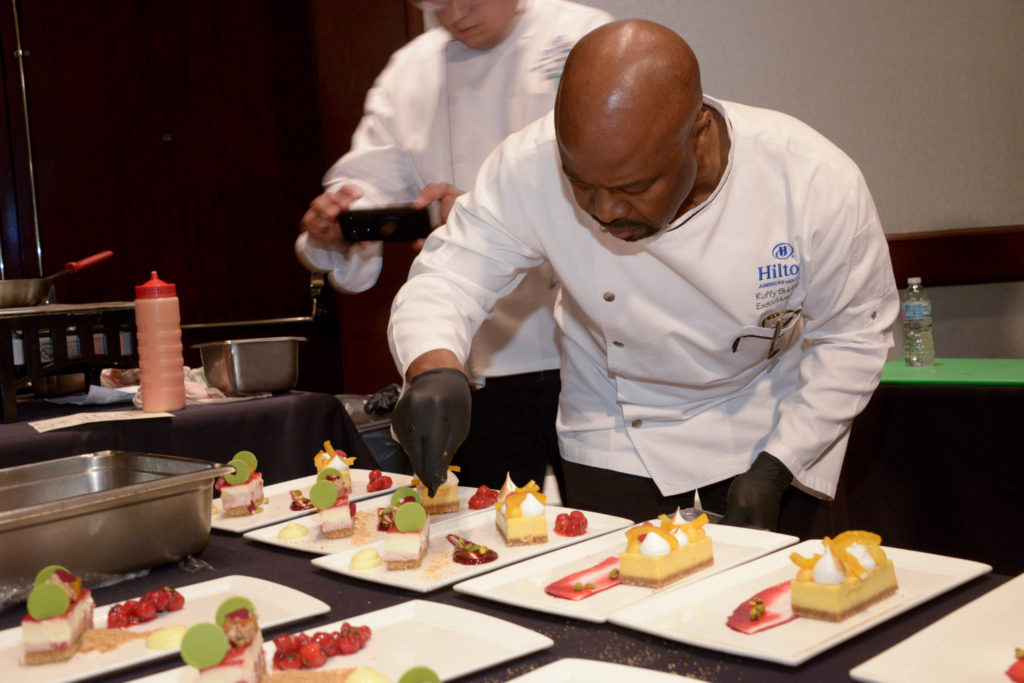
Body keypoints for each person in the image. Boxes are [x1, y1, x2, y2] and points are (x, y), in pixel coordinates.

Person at [387, 19, 900, 531]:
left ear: (698, 135)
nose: (605, 211)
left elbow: (852, 338)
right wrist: (433, 368)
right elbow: (450, 277)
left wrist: (777, 466)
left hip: (768, 421)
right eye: (581, 184)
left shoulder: (811, 179)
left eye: (634, 187)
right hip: (615, 432)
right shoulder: (529, 164)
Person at [294, 0, 612, 493]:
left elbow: (620, 189)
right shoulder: (411, 70)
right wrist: (344, 216)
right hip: (470, 362)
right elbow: (372, 178)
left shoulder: (585, 39)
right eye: (437, 3)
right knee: (485, 529)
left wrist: (487, 216)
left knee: (610, 523)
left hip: (587, 355)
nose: (456, 13)